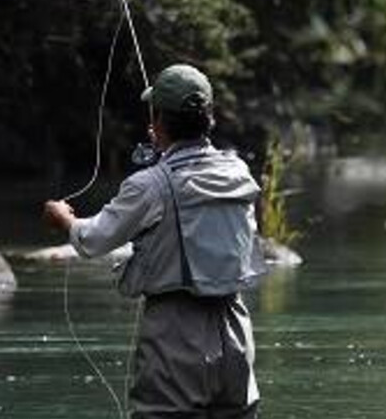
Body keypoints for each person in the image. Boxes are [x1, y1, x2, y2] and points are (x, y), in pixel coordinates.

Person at [43, 63, 263, 419]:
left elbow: (92, 240)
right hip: (236, 329)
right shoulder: (238, 173)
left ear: (158, 121)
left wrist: (63, 219)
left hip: (177, 333)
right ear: (209, 117)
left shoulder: (149, 185)